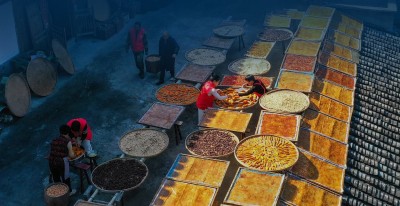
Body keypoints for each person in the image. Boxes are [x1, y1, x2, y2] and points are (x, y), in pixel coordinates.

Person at [48, 125, 76, 196]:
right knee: (66, 178)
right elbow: (71, 155)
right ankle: (69, 192)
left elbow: (54, 150)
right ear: (68, 133)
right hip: (62, 163)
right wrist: (74, 154)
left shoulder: (54, 139)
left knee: (56, 178)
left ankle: (58, 193)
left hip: (51, 161)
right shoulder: (67, 142)